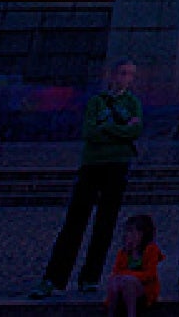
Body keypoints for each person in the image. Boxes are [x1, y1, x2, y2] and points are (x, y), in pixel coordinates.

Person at [30, 59, 143, 299]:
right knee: (75, 222)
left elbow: (134, 131)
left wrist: (107, 128)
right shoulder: (96, 101)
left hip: (117, 164)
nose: (126, 78)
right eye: (123, 73)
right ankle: (54, 277)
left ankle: (90, 277)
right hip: (93, 164)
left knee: (105, 223)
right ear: (112, 75)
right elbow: (89, 132)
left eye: (130, 75)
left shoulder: (133, 102)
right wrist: (119, 131)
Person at [103, 214, 161, 316]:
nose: (127, 234)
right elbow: (116, 272)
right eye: (126, 231)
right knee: (114, 281)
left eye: (130, 231)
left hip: (143, 291)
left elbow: (150, 275)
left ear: (141, 234)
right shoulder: (123, 253)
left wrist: (129, 276)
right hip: (123, 288)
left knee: (129, 281)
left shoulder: (151, 250)